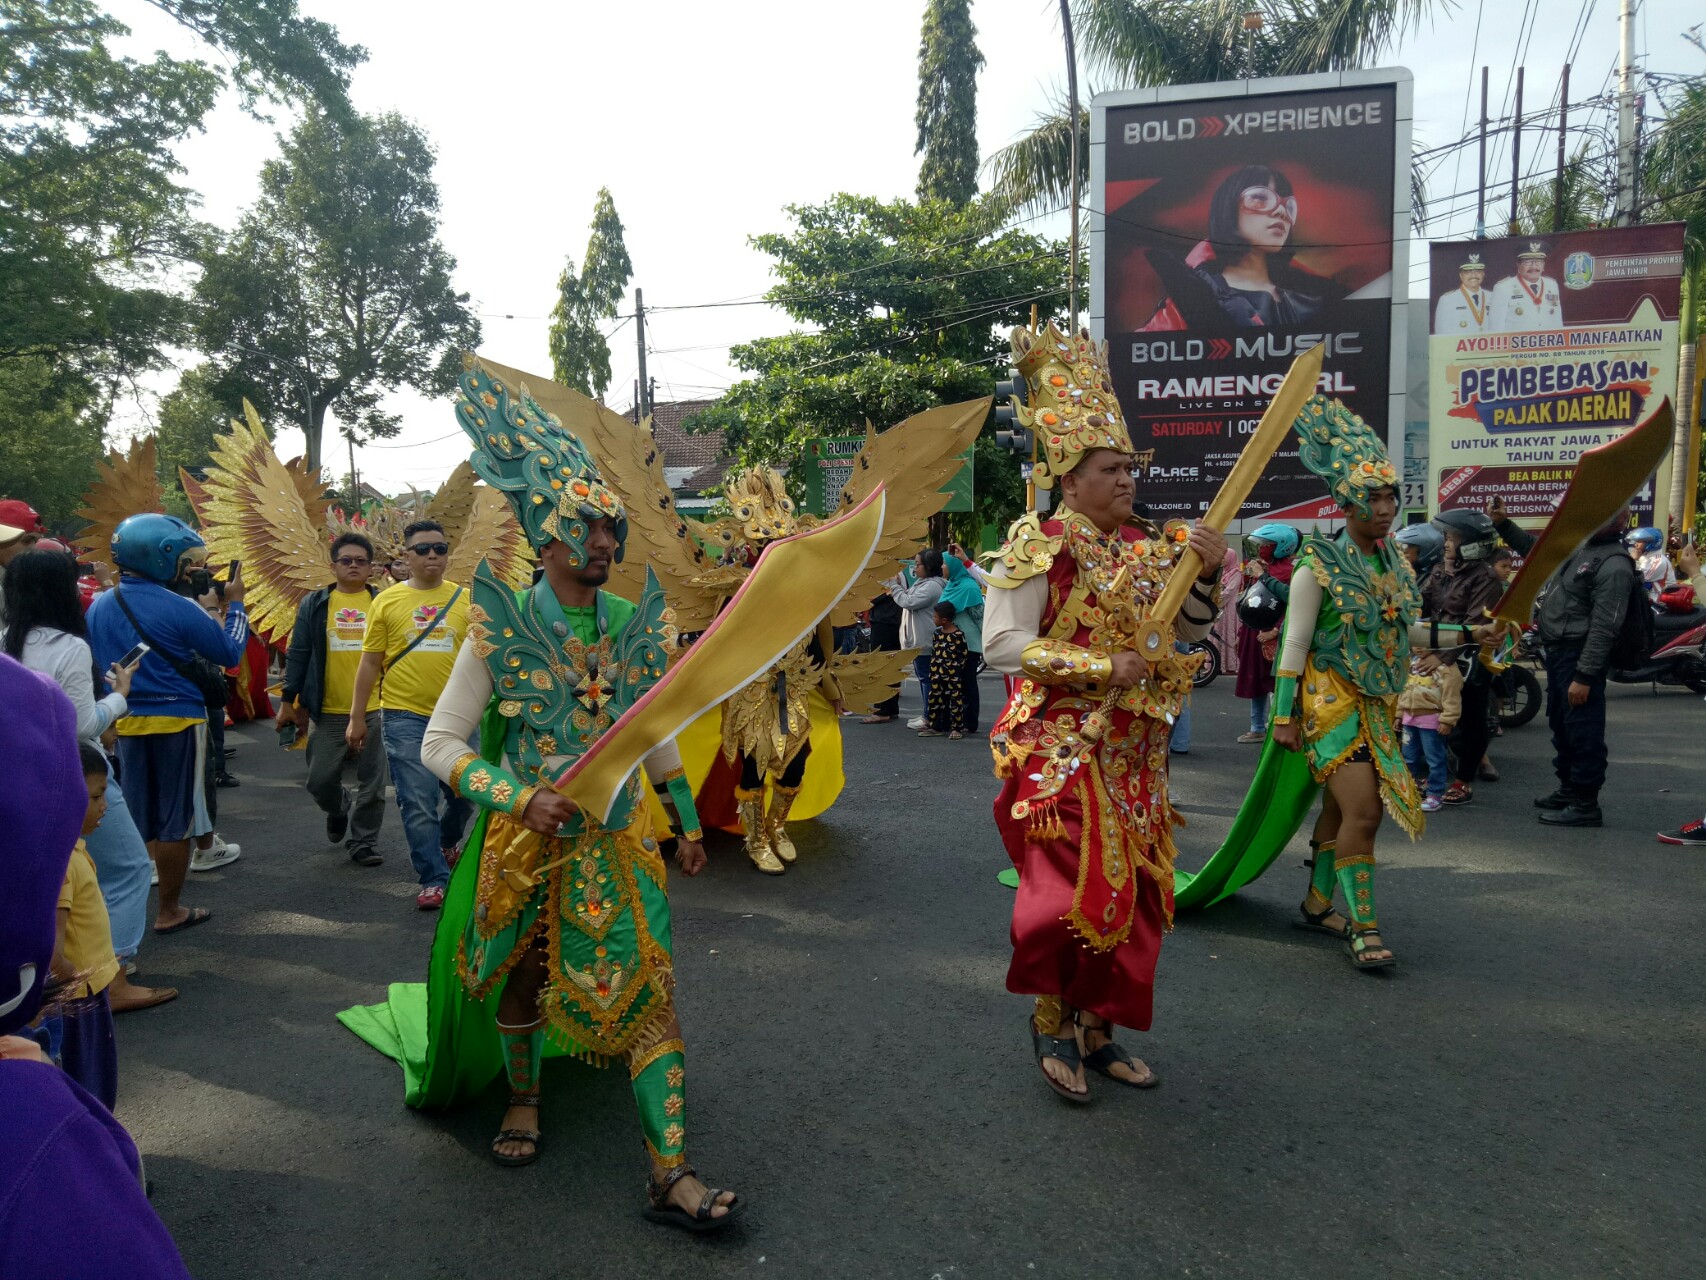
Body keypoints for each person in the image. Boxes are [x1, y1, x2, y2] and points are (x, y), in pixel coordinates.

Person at [345, 362, 741, 1230]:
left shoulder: (634, 627)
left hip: (621, 838)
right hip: (529, 840)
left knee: (653, 987)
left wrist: (683, 822)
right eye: (590, 529)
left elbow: (652, 732)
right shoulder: (500, 631)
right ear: (550, 537)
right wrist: (517, 799)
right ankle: (522, 1102)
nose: (606, 543)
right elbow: (444, 745)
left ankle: (669, 1170)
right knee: (522, 976)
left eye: (611, 529)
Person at [984, 321, 1225, 1101]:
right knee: (1069, 897)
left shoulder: (1153, 552)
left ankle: (1100, 1030)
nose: (1127, 480)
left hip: (1134, 752)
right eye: (1111, 469)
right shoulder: (1039, 542)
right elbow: (1002, 644)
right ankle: (1050, 1018)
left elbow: (1185, 630)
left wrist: (1209, 577)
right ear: (1071, 475)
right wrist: (1096, 663)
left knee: (1134, 898)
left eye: (1129, 468)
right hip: (1060, 747)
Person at [0, 653, 193, 1278]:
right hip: (66, 1002)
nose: (101, 806)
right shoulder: (25, 1118)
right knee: (81, 1086)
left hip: (69, 997)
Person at [1269, 398, 1422, 971]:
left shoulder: (1396, 565)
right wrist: (1283, 715)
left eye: (1389, 497)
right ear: (1345, 500)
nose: (1383, 509)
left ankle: (1315, 903)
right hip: (1328, 707)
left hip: (1380, 706)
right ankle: (1365, 926)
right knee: (1365, 814)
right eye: (1372, 498)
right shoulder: (1319, 562)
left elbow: (1411, 629)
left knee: (1341, 812)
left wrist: (1475, 630)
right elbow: (1295, 642)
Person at [1, 548, 174, 1013]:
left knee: (58, 878)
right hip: (76, 773)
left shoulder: (5, 643)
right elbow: (83, 724)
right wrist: (119, 697)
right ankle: (110, 976)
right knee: (129, 866)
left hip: (20, 778)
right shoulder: (69, 646)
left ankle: (62, 973)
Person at [86, 514, 248, 935]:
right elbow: (229, 654)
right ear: (164, 557)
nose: (191, 569)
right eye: (186, 561)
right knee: (177, 820)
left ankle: (123, 917)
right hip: (180, 720)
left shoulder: (101, 604)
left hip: (123, 721)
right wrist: (238, 605)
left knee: (137, 816)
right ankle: (169, 910)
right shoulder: (177, 605)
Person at [346, 517, 472, 910]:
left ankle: (448, 841)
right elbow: (369, 663)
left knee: (464, 794)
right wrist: (356, 717)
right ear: (406, 555)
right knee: (416, 800)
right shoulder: (386, 601)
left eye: (439, 548)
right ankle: (433, 876)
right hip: (404, 716)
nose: (432, 555)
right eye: (423, 549)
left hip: (460, 717)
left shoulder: (468, 599)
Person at [1517, 506, 1634, 829]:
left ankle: (1585, 803)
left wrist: (1584, 675)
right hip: (1558, 655)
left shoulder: (1613, 564)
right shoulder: (1582, 550)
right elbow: (1535, 553)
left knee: (1583, 731)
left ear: (1619, 520)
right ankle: (1568, 789)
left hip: (1580, 657)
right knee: (1562, 725)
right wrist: (1502, 525)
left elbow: (1604, 628)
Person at [278, 532, 388, 867]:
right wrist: (287, 701)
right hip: (328, 711)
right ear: (333, 566)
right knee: (319, 780)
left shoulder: (385, 601)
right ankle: (338, 808)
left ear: (371, 567)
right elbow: (298, 653)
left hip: (377, 708)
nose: (354, 565)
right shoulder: (315, 603)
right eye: (346, 560)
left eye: (361, 561)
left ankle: (363, 842)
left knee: (373, 784)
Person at [1140, 165, 1348, 332]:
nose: (1281, 212)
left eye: (1288, 206)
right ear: (1227, 206)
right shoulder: (1191, 302)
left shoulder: (1323, 297)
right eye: (1259, 198)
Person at [33, 743, 126, 1109]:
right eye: (96, 796)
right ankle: (94, 1150)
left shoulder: (68, 849)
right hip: (78, 995)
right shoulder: (63, 863)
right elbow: (54, 948)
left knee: (96, 1079)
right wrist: (72, 983)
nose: (105, 805)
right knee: (88, 1085)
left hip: (89, 985)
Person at [1417, 509, 1507, 805]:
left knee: (1469, 720)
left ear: (1470, 542)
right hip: (1436, 652)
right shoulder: (1441, 570)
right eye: (1445, 537)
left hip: (1470, 660)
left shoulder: (1487, 578)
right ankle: (1435, 774)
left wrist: (1441, 656)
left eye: (1451, 537)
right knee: (1430, 716)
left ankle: (1464, 779)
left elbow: (1475, 626)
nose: (1445, 543)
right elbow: (1423, 604)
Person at [1234, 522, 1297, 742]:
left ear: (1281, 546)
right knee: (1255, 681)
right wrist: (1240, 634)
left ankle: (1277, 724)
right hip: (1253, 633)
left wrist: (1276, 630)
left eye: (1266, 545)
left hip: (1274, 635)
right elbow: (1249, 602)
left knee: (1277, 683)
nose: (1260, 549)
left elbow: (1293, 605)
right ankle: (1257, 726)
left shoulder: (1290, 572)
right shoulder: (1259, 568)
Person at [889, 549, 945, 729]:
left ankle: (929, 717)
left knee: (927, 679)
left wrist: (894, 586)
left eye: (918, 564)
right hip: (919, 640)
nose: (915, 567)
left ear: (928, 566)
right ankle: (927, 715)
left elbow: (908, 602)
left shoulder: (932, 586)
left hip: (924, 641)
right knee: (924, 678)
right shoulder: (924, 582)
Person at [1399, 655, 1461, 812]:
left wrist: (1447, 720)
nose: (1419, 646)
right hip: (1409, 718)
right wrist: (1398, 714)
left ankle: (1435, 794)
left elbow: (1452, 695)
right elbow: (1402, 689)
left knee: (1434, 758)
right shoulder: (1411, 661)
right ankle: (1407, 791)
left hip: (1432, 720)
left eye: (1424, 642)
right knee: (1408, 757)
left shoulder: (1446, 668)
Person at [937, 552, 984, 731]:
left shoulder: (969, 587)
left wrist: (987, 644)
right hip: (950, 643)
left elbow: (980, 617)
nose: (942, 567)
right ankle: (954, 720)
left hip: (968, 645)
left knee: (966, 682)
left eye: (945, 564)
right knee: (951, 683)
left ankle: (969, 722)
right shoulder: (951, 585)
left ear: (955, 565)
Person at [1488, 241, 1563, 332]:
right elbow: (1495, 327)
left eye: (1538, 261)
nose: (1533, 266)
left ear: (1543, 265)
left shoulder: (1552, 285)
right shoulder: (1504, 288)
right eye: (1527, 262)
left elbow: (1557, 321)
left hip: (1547, 344)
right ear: (1518, 265)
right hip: (1517, 345)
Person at [922, 600, 970, 738]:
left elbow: (963, 655)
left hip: (952, 676)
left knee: (955, 702)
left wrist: (955, 670)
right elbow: (934, 652)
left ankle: (956, 728)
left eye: (935, 617)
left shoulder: (958, 635)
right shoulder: (937, 634)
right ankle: (935, 726)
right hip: (936, 675)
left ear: (944, 620)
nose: (933, 619)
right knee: (935, 700)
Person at [860, 590, 905, 723]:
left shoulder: (890, 575)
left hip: (885, 622)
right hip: (890, 621)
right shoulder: (896, 575)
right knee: (892, 666)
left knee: (881, 666)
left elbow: (875, 596)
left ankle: (882, 711)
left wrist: (861, 602)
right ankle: (890, 709)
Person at [1433, 252, 1491, 334]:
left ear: (1483, 274)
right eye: (1468, 272)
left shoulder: (1493, 297)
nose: (1473, 275)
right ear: (1461, 275)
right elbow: (1442, 336)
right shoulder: (1448, 300)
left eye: (1478, 271)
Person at [1626, 527, 1674, 599]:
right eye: (1636, 541)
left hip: (1660, 601)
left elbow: (1638, 579)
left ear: (1651, 543)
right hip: (1648, 598)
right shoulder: (1646, 557)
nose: (1635, 544)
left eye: (1639, 541)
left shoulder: (1659, 561)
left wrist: (1634, 560)